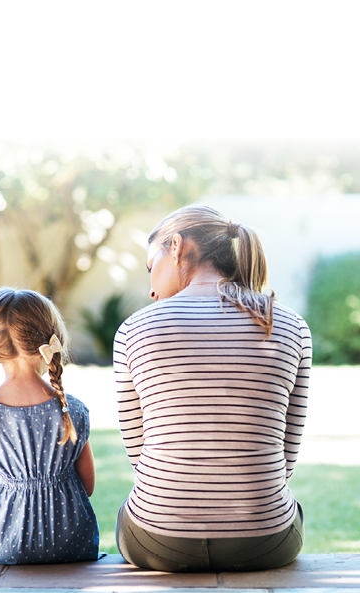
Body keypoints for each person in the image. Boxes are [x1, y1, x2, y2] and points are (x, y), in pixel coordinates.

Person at [113, 203, 312, 573]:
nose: (151, 289)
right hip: (265, 541)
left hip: (158, 541)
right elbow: (286, 455)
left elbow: (139, 456)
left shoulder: (134, 330)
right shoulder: (290, 325)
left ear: (176, 247)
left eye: (150, 266)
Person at [0, 286, 99, 564]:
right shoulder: (73, 410)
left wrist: (2, 481)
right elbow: (87, 485)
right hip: (68, 542)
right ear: (52, 341)